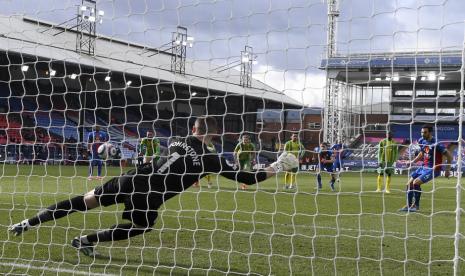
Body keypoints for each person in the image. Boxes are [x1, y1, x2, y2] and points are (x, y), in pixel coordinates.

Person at [8, 117, 299, 257]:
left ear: (192, 130)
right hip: (149, 195)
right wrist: (277, 167)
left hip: (131, 179)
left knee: (83, 201)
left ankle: (27, 222)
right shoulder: (211, 158)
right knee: (142, 226)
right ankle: (86, 240)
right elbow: (247, 179)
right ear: (211, 134)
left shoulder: (174, 139)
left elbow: (186, 146)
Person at [399, 125, 452, 212]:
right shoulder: (421, 140)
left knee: (416, 182)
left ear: (430, 132)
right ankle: (408, 206)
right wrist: (412, 162)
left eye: (425, 132)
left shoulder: (436, 143)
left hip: (433, 169)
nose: (422, 134)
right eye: (422, 132)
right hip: (423, 167)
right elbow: (421, 154)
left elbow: (449, 156)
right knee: (409, 184)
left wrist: (447, 169)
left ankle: (416, 206)